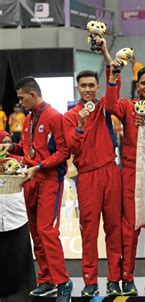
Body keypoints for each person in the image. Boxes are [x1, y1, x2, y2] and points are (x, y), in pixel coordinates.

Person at [0, 76, 73, 302]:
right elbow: (27, 149)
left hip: (49, 179)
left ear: (33, 94)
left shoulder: (54, 117)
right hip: (29, 180)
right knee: (36, 233)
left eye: (22, 98)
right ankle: (47, 280)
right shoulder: (29, 118)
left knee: (47, 232)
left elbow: (64, 152)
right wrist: (10, 146)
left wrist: (40, 166)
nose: (20, 102)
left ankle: (63, 283)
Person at [63, 55, 122, 295]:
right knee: (88, 231)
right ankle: (89, 282)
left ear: (98, 87)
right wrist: (80, 125)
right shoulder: (69, 116)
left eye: (91, 85)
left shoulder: (106, 108)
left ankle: (114, 280)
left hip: (110, 171)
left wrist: (108, 56)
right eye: (83, 86)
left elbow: (114, 84)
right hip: (86, 176)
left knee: (114, 228)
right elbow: (71, 148)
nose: (87, 90)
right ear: (78, 87)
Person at [105, 61, 145, 295]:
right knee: (129, 230)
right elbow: (109, 105)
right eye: (144, 83)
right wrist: (113, 75)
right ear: (137, 85)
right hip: (130, 174)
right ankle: (127, 277)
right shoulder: (128, 107)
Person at [0, 130, 36, 301]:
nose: (5, 146)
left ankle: (22, 295)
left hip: (16, 217)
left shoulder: (18, 163)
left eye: (8, 142)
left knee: (19, 258)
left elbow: (32, 167)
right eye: (2, 142)